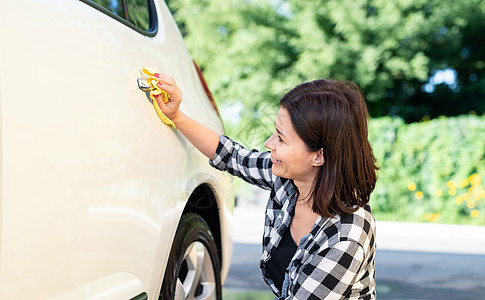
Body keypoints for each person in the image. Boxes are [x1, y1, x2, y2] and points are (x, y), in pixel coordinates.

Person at [155, 74, 379, 299]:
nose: (269, 143)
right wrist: (177, 116)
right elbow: (232, 156)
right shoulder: (288, 179)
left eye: (281, 138)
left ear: (319, 156)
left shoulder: (346, 234)